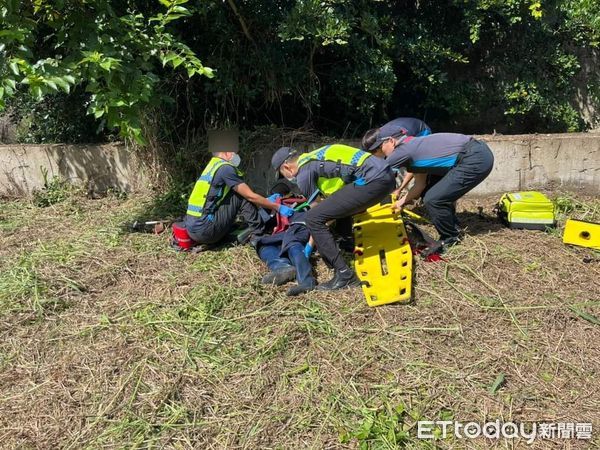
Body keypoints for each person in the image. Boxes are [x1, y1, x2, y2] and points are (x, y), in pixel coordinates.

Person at [271, 144, 396, 290]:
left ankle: (344, 275)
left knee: (312, 218)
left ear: (286, 167)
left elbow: (319, 217)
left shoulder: (303, 175)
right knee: (336, 202)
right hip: (386, 175)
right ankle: (347, 242)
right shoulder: (315, 156)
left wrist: (308, 249)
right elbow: (335, 203)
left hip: (372, 180)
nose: (286, 179)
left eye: (282, 175)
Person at [362, 132, 494, 252]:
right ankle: (453, 225)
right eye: (373, 152)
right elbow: (419, 185)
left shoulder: (401, 151)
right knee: (429, 192)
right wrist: (400, 203)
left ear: (390, 140)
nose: (378, 154)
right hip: (473, 153)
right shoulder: (411, 147)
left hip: (475, 158)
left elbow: (375, 177)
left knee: (434, 199)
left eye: (379, 149)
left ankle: (451, 238)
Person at [184, 150, 294, 245]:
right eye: (233, 152)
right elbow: (249, 196)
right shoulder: (225, 168)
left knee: (235, 194)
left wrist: (265, 202)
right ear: (225, 152)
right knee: (239, 195)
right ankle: (259, 233)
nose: (235, 154)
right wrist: (277, 206)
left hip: (192, 229)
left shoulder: (212, 166)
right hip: (206, 231)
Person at [362, 117, 432, 196]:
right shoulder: (373, 140)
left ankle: (413, 197)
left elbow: (413, 167)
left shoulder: (403, 144)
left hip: (421, 131)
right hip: (401, 127)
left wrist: (400, 189)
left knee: (416, 172)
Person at [256, 210, 316, 296]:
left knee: (293, 244)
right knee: (264, 244)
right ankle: (283, 267)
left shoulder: (305, 204)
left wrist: (310, 245)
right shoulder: (277, 203)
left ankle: (306, 280)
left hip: (300, 224)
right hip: (284, 231)